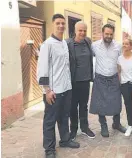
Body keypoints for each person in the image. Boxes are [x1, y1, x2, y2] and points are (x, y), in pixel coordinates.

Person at [37, 14, 80, 158]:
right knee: (50, 120)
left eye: (63, 23)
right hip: (53, 91)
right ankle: (49, 149)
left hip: (66, 88)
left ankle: (65, 139)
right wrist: (47, 90)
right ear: (53, 25)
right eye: (58, 23)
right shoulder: (47, 45)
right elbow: (42, 69)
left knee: (64, 116)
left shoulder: (64, 43)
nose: (61, 26)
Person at [89, 24, 126, 137]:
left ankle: (116, 123)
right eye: (107, 34)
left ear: (113, 34)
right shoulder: (94, 46)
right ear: (102, 33)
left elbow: (122, 61)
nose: (109, 36)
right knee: (100, 104)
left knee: (116, 102)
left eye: (111, 34)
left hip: (114, 77)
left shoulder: (118, 46)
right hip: (100, 78)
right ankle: (103, 126)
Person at [66, 21, 95, 141]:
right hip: (73, 81)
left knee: (84, 106)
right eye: (80, 30)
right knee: (73, 106)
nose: (82, 33)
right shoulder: (68, 43)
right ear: (75, 31)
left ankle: (84, 127)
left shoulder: (88, 41)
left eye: (84, 30)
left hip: (85, 80)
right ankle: (73, 129)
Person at [117, 38, 132, 137]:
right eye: (123, 44)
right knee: (128, 105)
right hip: (124, 84)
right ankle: (130, 125)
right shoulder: (120, 58)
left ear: (131, 46)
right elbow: (119, 72)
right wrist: (119, 83)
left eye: (127, 44)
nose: (124, 45)